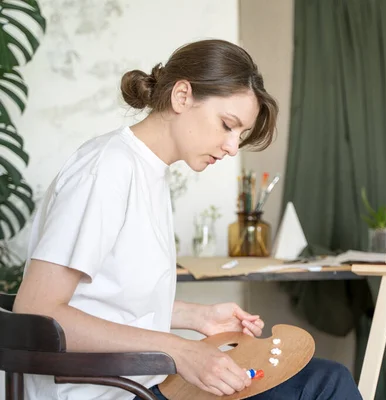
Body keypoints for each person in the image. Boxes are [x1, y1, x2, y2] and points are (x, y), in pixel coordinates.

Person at [13, 39, 362, 400]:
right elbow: (37, 311)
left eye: (240, 135)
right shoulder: (108, 169)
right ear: (182, 96)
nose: (231, 147)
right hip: (109, 391)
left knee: (325, 379)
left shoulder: (148, 171)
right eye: (227, 125)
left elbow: (107, 299)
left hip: (138, 382)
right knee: (326, 385)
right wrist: (179, 350)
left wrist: (197, 317)